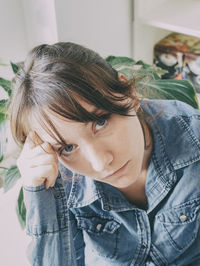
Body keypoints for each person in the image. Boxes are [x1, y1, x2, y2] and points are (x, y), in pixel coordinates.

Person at [9, 42, 200, 266]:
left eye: (100, 122)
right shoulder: (59, 175)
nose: (100, 163)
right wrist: (42, 194)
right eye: (67, 148)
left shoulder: (194, 138)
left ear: (128, 93)